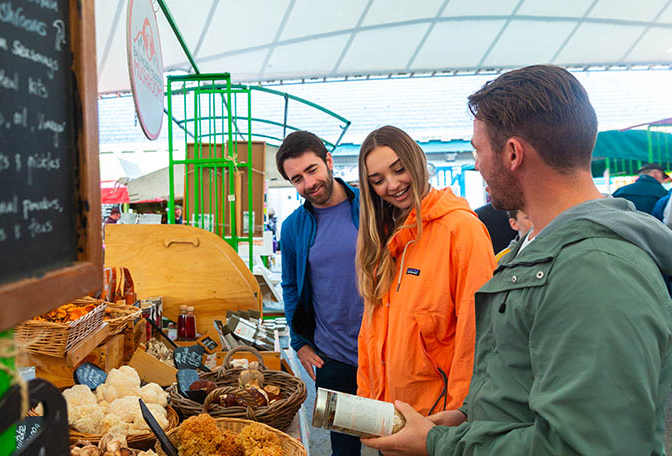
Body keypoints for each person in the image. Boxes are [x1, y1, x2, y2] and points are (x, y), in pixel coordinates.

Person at [362, 65, 672, 456]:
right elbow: (522, 380)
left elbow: (586, 446)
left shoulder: (595, 269)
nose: (476, 164)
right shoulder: (537, 246)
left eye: (478, 150)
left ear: (511, 153)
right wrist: (468, 415)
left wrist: (440, 443)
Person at [355, 125, 496, 418]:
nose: (392, 185)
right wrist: (367, 406)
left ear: (417, 161)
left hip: (437, 423)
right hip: (388, 419)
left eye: (399, 169)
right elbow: (371, 335)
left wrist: (459, 417)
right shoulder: (382, 239)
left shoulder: (461, 230)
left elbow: (478, 335)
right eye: (378, 180)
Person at [277, 130, 364, 455]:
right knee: (343, 449)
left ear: (328, 161)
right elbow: (290, 286)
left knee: (394, 442)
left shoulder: (372, 207)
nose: (308, 184)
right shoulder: (293, 227)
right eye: (297, 178)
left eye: (312, 170)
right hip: (333, 359)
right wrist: (299, 341)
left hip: (384, 355)